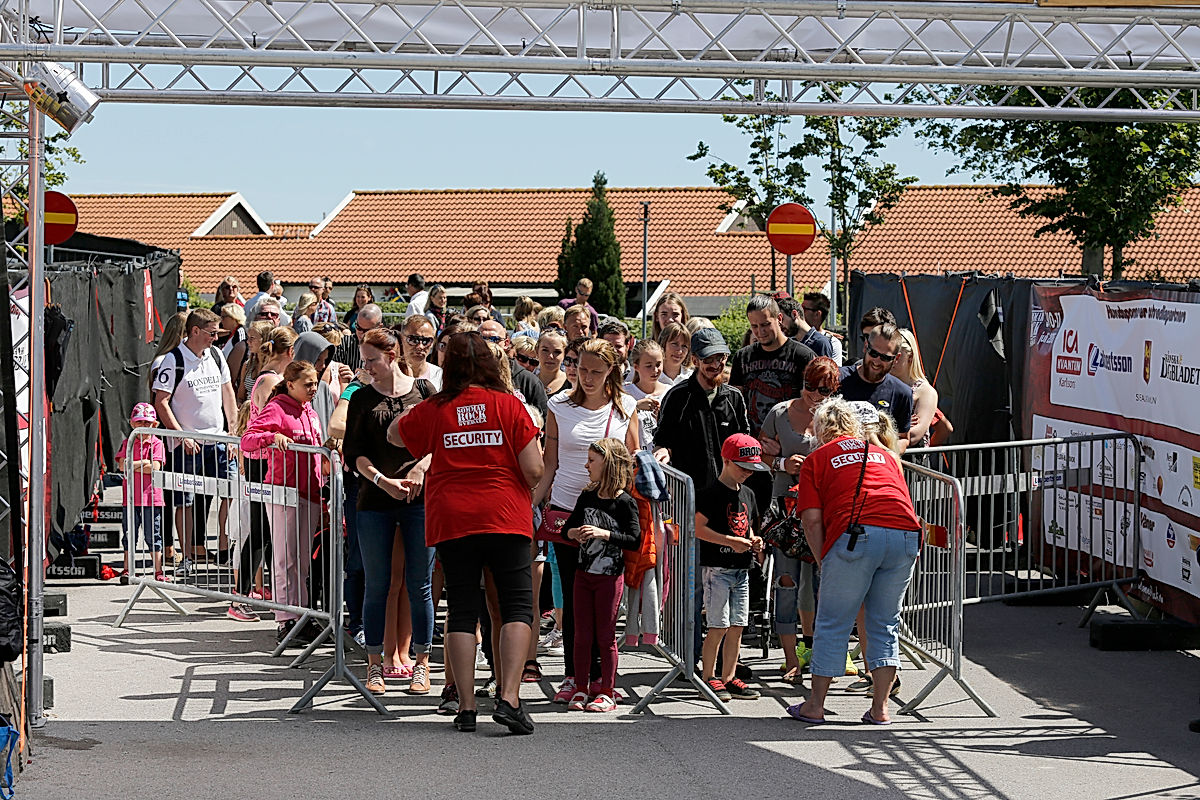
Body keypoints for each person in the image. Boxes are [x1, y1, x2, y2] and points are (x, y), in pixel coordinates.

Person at [389, 331, 544, 735]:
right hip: (505, 514)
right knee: (514, 606)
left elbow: (394, 435)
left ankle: (466, 704)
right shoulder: (509, 405)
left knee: (460, 607)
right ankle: (509, 698)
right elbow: (534, 471)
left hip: (453, 517)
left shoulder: (437, 407)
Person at [787, 397, 921, 726]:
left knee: (833, 622)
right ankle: (881, 708)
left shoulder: (817, 459)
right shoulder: (885, 456)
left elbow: (812, 521)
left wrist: (824, 561)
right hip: (905, 535)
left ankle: (815, 706)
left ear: (819, 429)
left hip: (856, 536)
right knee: (884, 623)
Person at [534, 339, 639, 705]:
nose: (589, 377)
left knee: (603, 609)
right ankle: (573, 676)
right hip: (567, 511)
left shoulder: (626, 407)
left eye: (597, 371)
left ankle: (601, 681)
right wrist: (532, 506)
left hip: (608, 520)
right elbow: (549, 465)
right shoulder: (558, 405)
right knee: (573, 605)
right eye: (583, 369)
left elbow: (631, 464)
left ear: (611, 370)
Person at [343, 328, 435, 696]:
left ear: (392, 355)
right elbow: (355, 454)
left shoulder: (425, 392)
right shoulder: (362, 398)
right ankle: (374, 664)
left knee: (420, 585)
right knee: (377, 584)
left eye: (372, 360)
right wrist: (382, 481)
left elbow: (438, 443)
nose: (367, 367)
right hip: (375, 502)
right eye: (364, 361)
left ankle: (422, 663)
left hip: (420, 501)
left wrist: (419, 469)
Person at [758, 356, 840, 682]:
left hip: (823, 508)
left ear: (833, 391)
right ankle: (792, 660)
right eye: (808, 386)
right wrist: (781, 464)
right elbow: (759, 451)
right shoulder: (780, 413)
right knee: (787, 583)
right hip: (785, 509)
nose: (813, 395)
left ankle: (822, 655)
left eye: (821, 390)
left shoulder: (836, 418)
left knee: (823, 584)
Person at [240, 360, 327, 646]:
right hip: (283, 490)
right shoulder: (277, 406)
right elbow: (248, 440)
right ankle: (285, 619)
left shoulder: (310, 410)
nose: (313, 389)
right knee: (284, 559)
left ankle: (301, 617)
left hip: (310, 490)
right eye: (307, 384)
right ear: (290, 384)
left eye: (315, 383)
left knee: (300, 561)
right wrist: (271, 436)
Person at [151, 309, 238, 579]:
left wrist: (233, 433)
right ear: (196, 331)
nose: (216, 338)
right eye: (212, 333)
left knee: (232, 492)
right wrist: (181, 435)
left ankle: (227, 545)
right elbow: (161, 401)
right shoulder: (173, 360)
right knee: (184, 501)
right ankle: (187, 555)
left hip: (219, 440)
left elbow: (228, 395)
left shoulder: (216, 355)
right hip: (187, 445)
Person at [562, 438, 640, 712]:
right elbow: (566, 530)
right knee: (581, 634)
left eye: (592, 461)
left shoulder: (625, 501)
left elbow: (634, 539)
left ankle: (606, 689)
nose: (586, 465)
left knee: (605, 635)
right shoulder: (587, 496)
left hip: (609, 576)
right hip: (583, 573)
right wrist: (575, 533)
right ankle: (581, 687)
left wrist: (604, 533)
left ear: (608, 464)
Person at [695, 433, 766, 702]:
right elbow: (697, 528)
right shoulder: (710, 493)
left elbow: (746, 525)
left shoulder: (748, 492)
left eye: (751, 468)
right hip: (718, 568)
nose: (748, 473)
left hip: (741, 568)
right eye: (742, 466)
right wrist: (730, 541)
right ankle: (708, 676)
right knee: (718, 625)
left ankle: (728, 675)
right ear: (725, 461)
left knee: (738, 625)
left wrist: (753, 540)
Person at [731, 295, 817, 438]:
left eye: (765, 324)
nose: (760, 332)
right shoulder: (742, 357)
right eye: (754, 326)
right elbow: (735, 403)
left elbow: (814, 405)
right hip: (752, 442)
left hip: (791, 443)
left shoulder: (802, 356)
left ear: (779, 318)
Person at [838, 323, 913, 452]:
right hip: (838, 462)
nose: (877, 361)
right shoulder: (837, 378)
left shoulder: (902, 393)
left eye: (885, 357)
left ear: (896, 359)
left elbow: (903, 438)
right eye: (873, 353)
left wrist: (888, 454)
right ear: (865, 346)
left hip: (876, 467)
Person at [115, 402, 166, 582]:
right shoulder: (126, 443)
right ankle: (128, 569)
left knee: (154, 535)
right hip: (130, 499)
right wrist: (143, 462)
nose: (143, 426)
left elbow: (155, 467)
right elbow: (122, 467)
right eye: (140, 422)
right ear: (132, 423)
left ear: (154, 425)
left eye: (147, 423)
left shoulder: (157, 443)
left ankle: (158, 571)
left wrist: (133, 464)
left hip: (152, 498)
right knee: (129, 535)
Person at [892, 328, 950, 448]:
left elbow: (915, 435)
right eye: (887, 354)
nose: (891, 360)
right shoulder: (881, 384)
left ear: (910, 356)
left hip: (912, 461)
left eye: (897, 355)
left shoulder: (925, 391)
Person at [479, 320, 548, 419]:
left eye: (494, 339)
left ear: (506, 343)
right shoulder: (465, 376)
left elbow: (543, 422)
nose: (487, 344)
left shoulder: (528, 381)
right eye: (482, 338)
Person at [624, 339, 666, 451]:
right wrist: (635, 406)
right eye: (649, 366)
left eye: (658, 364)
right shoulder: (625, 393)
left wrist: (662, 418)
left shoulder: (669, 393)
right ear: (636, 367)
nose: (655, 370)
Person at [777, 295, 835, 359]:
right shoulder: (790, 342)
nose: (780, 324)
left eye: (782, 319)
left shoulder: (820, 343)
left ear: (794, 314)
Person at [334, 302, 382, 372]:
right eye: (358, 327)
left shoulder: (385, 348)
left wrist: (372, 380)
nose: (361, 333)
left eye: (367, 331)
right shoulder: (344, 344)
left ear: (379, 327)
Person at [237, 321, 275, 403]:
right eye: (248, 337)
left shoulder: (274, 368)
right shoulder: (247, 365)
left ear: (264, 340)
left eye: (252, 338)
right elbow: (240, 396)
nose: (248, 342)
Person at [402, 316, 444, 390]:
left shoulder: (440, 376)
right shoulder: (391, 374)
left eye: (426, 341)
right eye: (414, 340)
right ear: (402, 339)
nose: (420, 346)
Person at [802, 292, 843, 363]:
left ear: (817, 314)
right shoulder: (793, 335)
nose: (800, 312)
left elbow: (835, 371)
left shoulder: (832, 342)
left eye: (804, 309)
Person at [656, 322, 693, 387]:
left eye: (684, 346)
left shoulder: (692, 378)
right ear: (663, 344)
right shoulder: (651, 375)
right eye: (674, 344)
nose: (679, 351)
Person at [536, 329, 569, 397]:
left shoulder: (572, 384)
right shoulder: (528, 383)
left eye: (557, 352)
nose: (550, 356)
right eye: (545, 350)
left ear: (565, 354)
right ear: (537, 351)